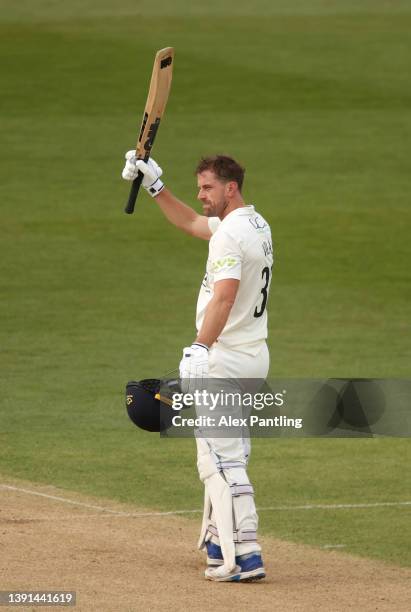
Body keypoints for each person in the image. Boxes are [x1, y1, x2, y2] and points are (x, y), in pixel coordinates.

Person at [122, 152, 273, 582]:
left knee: (222, 460)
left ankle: (244, 554)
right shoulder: (254, 224)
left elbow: (224, 296)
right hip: (252, 355)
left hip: (224, 356)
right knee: (224, 449)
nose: (201, 196)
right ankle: (216, 541)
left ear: (231, 187)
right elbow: (191, 222)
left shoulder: (229, 236)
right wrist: (155, 186)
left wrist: (200, 347)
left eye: (208, 188)